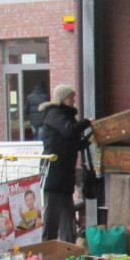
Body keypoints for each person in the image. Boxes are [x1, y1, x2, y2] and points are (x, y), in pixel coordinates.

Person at [40, 84, 90, 242]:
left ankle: (69, 246)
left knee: (67, 212)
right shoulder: (54, 114)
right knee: (52, 212)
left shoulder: (66, 116)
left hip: (65, 171)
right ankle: (48, 244)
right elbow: (69, 130)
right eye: (71, 97)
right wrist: (87, 122)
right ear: (63, 98)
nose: (74, 100)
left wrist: (88, 140)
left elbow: (72, 143)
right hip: (54, 170)